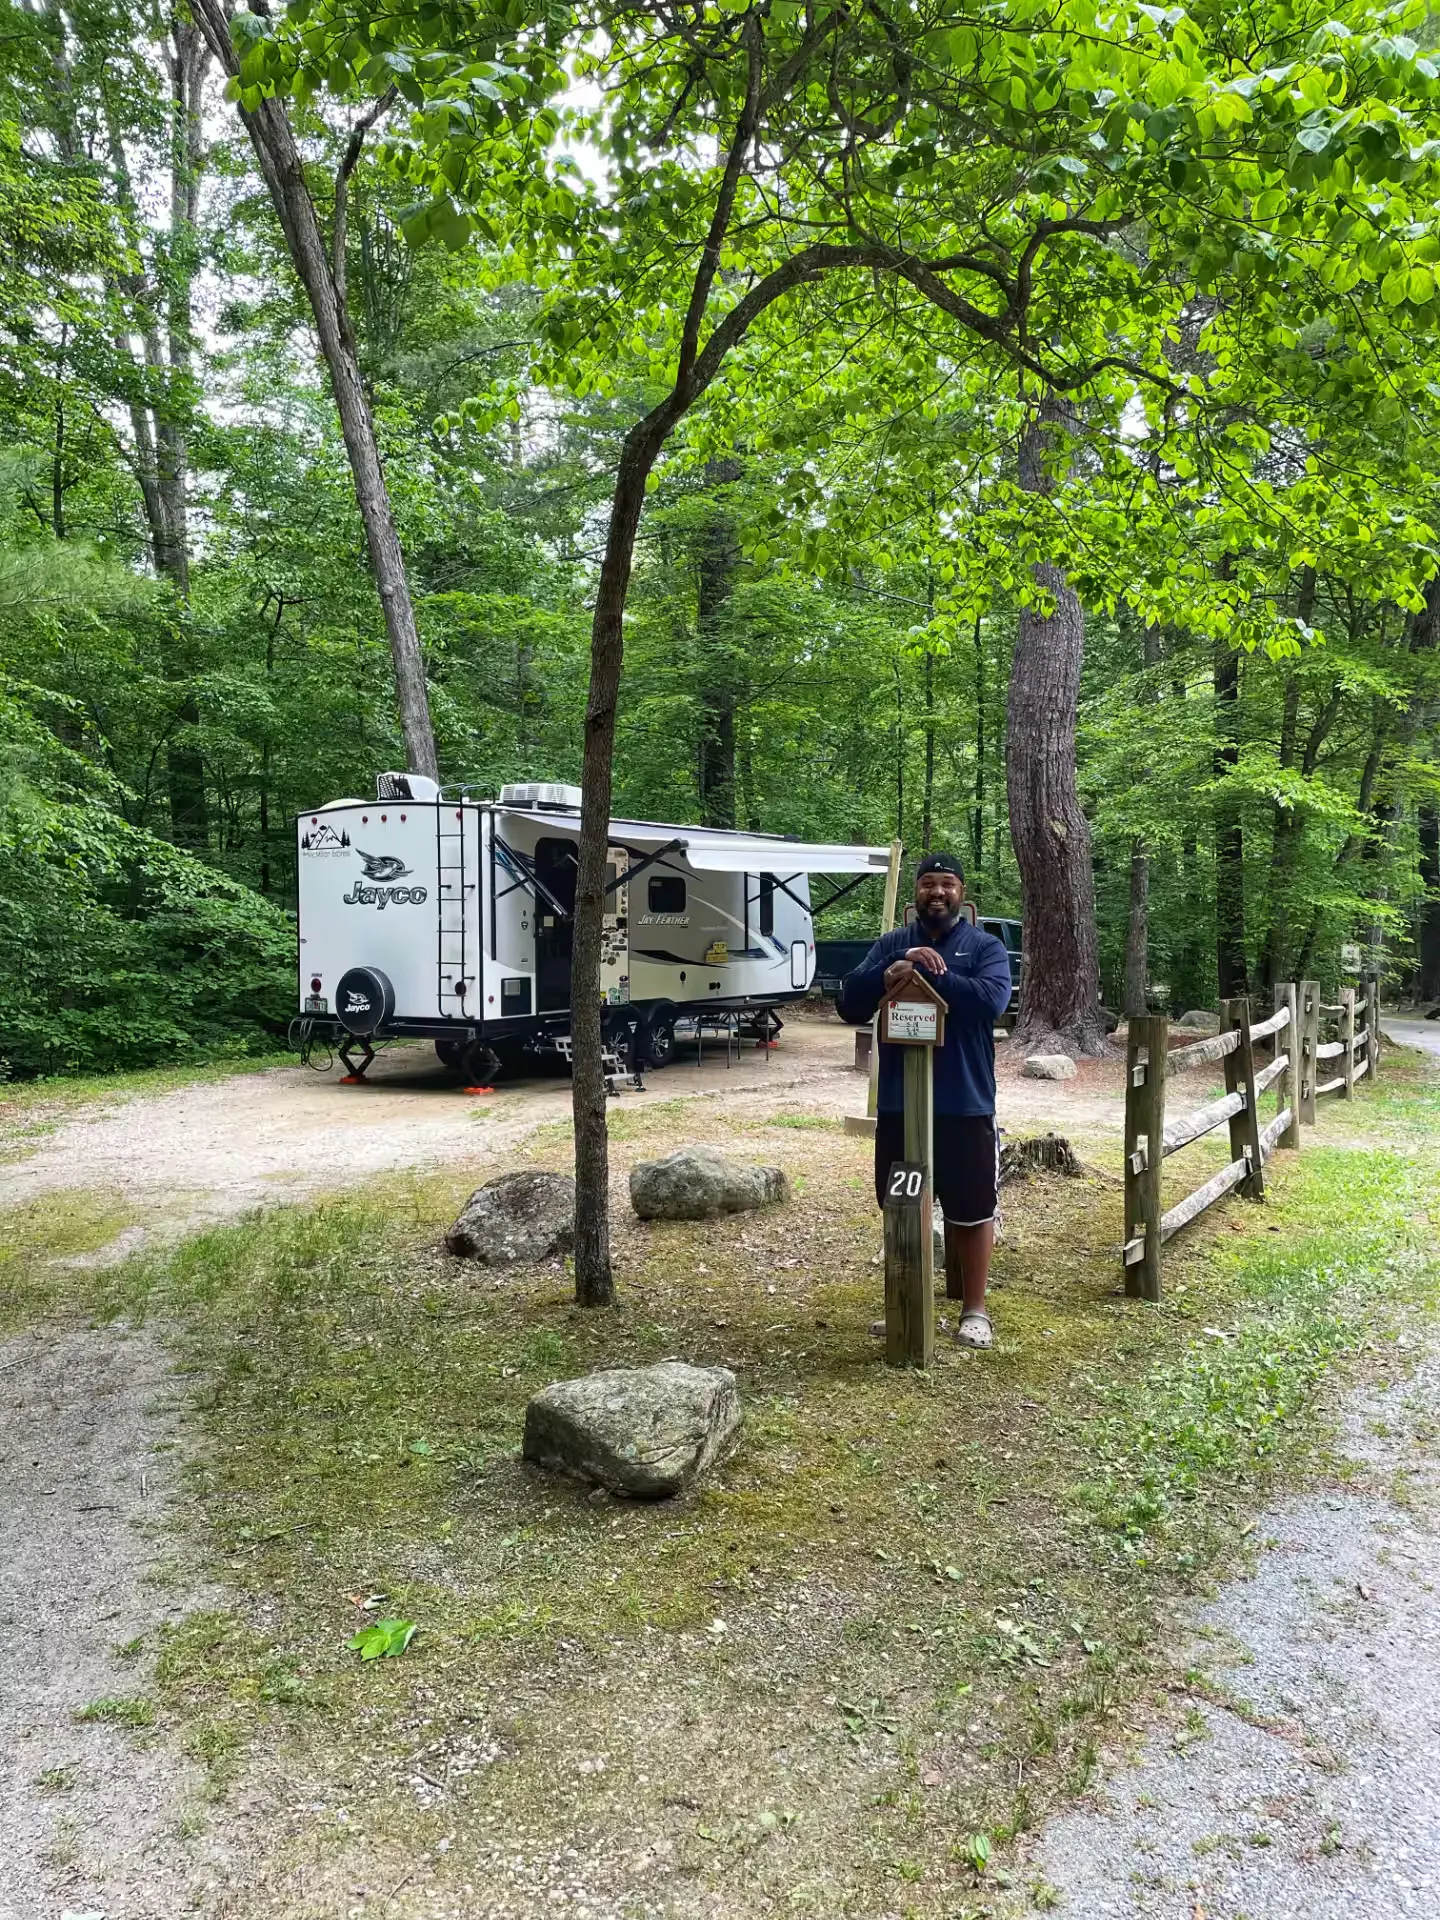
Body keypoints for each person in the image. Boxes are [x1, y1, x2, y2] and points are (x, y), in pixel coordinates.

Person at [838, 854, 1014, 1348]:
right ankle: (906, 1299)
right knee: (901, 1203)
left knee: (972, 1207)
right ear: (916, 892)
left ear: (961, 893)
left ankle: (974, 1311)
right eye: (928, 885)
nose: (937, 893)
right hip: (900, 1102)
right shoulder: (891, 943)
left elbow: (990, 1002)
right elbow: (848, 1000)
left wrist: (930, 975)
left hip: (965, 1101)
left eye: (947, 885)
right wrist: (893, 969)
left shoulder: (985, 946)